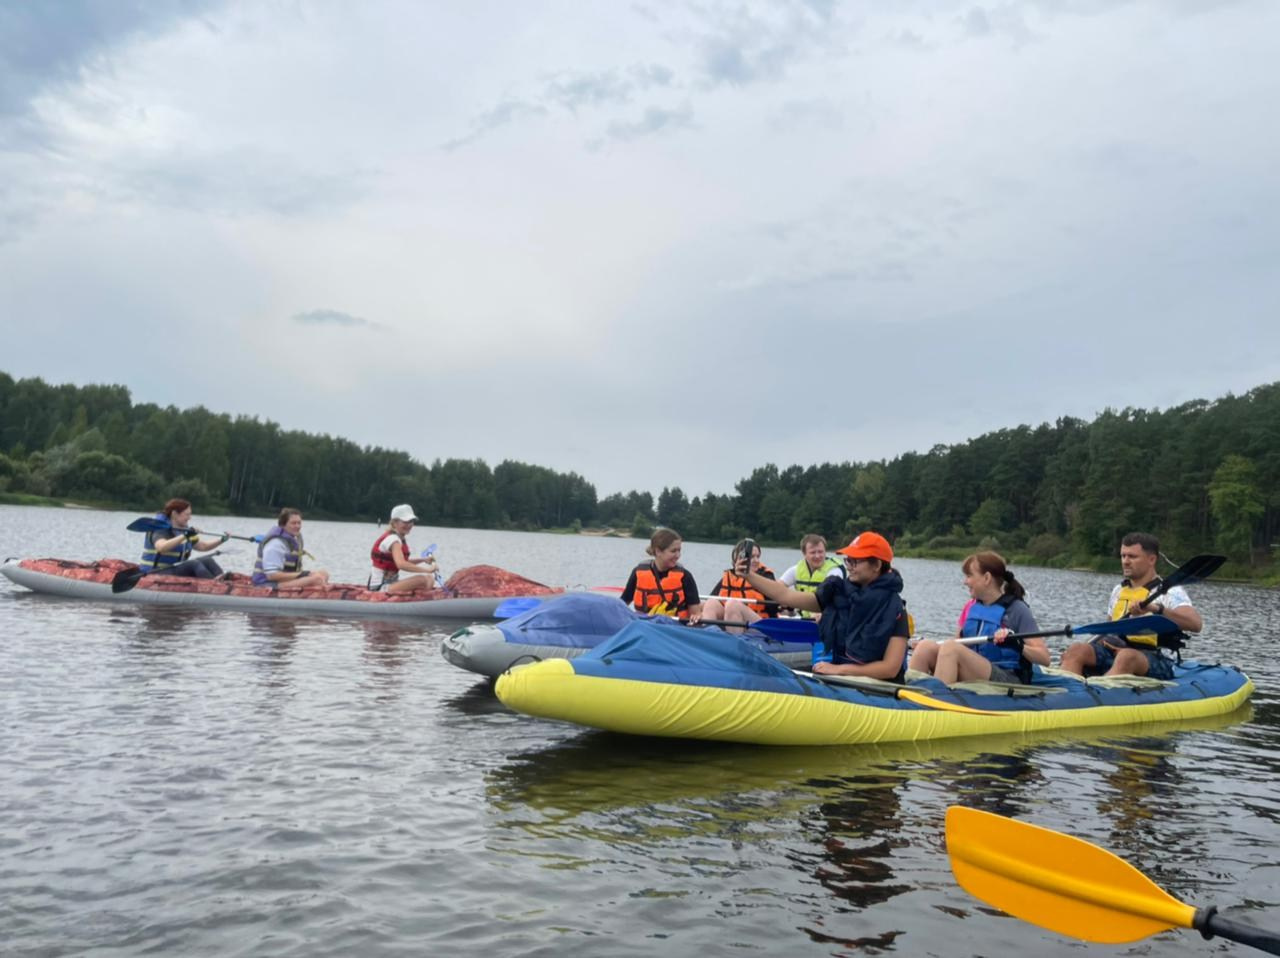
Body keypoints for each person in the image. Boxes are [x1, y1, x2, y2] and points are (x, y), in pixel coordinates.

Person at [745, 531, 909, 680]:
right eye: (848, 560)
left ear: (877, 565)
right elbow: (785, 595)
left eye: (855, 561)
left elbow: (890, 669)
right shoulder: (841, 594)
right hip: (843, 677)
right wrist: (748, 575)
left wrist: (840, 670)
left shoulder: (895, 609)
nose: (849, 566)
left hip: (876, 685)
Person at [1059, 532, 1202, 680]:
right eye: (1123, 556)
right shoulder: (1118, 591)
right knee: (1076, 649)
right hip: (1116, 650)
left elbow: (1196, 624)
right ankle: (1067, 690)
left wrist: (1157, 609)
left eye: (1132, 557)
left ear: (1152, 559)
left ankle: (1099, 690)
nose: (1125, 561)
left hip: (1158, 659)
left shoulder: (1171, 592)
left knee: (1126, 657)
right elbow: (1110, 628)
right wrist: (1103, 643)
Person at [908, 552, 1049, 685]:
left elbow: (1044, 658)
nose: (965, 582)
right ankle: (909, 695)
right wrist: (930, 644)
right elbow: (957, 642)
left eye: (969, 576)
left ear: (986, 578)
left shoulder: (1017, 609)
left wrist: (1017, 645)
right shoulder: (971, 607)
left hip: (1007, 676)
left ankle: (939, 698)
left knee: (951, 648)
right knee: (925, 647)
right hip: (974, 669)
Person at [619, 527, 702, 621]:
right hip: (644, 624)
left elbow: (695, 613)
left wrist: (697, 617)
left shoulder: (685, 576)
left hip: (674, 625)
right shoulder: (638, 573)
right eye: (673, 551)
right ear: (658, 551)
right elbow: (622, 604)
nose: (678, 555)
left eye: (679, 550)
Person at [139, 497, 227, 578]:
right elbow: (161, 547)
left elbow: (202, 546)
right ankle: (213, 585)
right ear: (174, 514)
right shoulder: (159, 528)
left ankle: (224, 582)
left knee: (208, 560)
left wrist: (222, 539)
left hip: (173, 569)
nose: (189, 518)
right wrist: (185, 535)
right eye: (187, 515)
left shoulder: (184, 530)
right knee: (194, 564)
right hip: (155, 571)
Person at [700, 538, 778, 629]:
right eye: (752, 557)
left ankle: (734, 637)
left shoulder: (766, 576)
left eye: (758, 556)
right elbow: (710, 600)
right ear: (739, 557)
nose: (756, 560)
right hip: (734, 620)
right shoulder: (729, 577)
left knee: (732, 605)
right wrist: (697, 613)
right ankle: (709, 634)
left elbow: (775, 607)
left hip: (760, 624)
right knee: (711, 603)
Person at [251, 508, 330, 591]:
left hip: (282, 580)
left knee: (324, 574)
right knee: (316, 579)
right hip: (267, 583)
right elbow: (272, 576)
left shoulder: (292, 540)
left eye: (299, 523)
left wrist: (305, 575)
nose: (297, 526)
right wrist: (305, 574)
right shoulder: (275, 544)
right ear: (283, 524)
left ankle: (320, 587)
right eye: (293, 523)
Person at [368, 504, 441, 593]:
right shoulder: (393, 540)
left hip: (390, 584)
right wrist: (427, 570)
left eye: (411, 521)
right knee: (424, 579)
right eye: (405, 522)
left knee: (429, 579)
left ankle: (423, 598)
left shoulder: (398, 538)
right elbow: (401, 564)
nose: (409, 525)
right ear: (394, 523)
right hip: (380, 587)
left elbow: (402, 561)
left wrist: (423, 560)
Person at [776, 533, 844, 619]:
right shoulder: (796, 570)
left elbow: (830, 597)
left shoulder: (834, 571)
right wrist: (785, 600)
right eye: (813, 552)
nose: (817, 556)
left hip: (829, 618)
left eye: (820, 552)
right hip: (805, 619)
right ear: (804, 554)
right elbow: (777, 587)